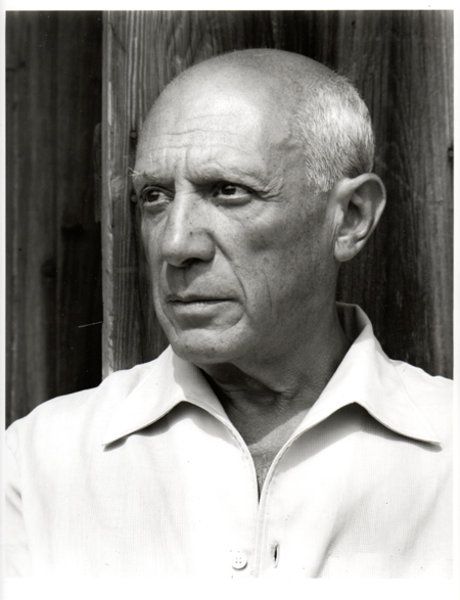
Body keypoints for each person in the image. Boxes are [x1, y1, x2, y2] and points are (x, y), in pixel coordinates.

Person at [4, 49, 452, 578]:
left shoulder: (447, 457)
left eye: (228, 191)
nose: (175, 244)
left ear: (350, 218)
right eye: (154, 196)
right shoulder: (40, 463)